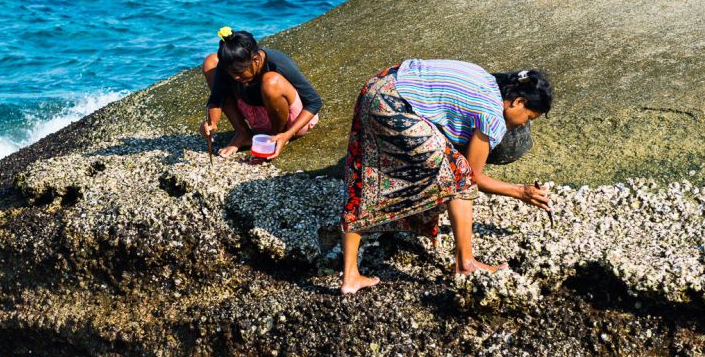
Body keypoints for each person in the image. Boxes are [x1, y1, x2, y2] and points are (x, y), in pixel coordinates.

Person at [339, 59, 553, 294]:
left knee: (366, 172)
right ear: (518, 102)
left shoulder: (488, 80)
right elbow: (471, 177)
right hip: (393, 103)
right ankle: (465, 263)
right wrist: (520, 192)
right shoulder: (492, 115)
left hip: (378, 85)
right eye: (529, 118)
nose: (523, 125)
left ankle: (350, 277)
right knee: (458, 175)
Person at [199, 27, 322, 159]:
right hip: (256, 115)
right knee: (210, 62)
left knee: (271, 81)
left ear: (256, 60)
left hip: (290, 122)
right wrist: (212, 123)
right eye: (232, 74)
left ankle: (274, 138)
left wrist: (288, 134)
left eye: (239, 73)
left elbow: (314, 102)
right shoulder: (231, 66)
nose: (235, 78)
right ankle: (243, 133)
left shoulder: (277, 62)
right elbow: (217, 98)